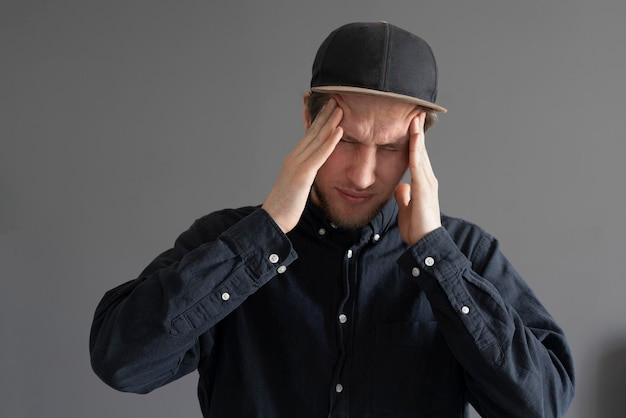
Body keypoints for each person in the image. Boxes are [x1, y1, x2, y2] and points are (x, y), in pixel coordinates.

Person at [90, 22, 575, 417]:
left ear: (419, 141)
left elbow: (542, 406)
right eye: (345, 139)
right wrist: (268, 227)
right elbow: (122, 364)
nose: (364, 174)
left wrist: (436, 258)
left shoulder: (466, 254)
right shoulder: (223, 242)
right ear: (309, 116)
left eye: (389, 147)